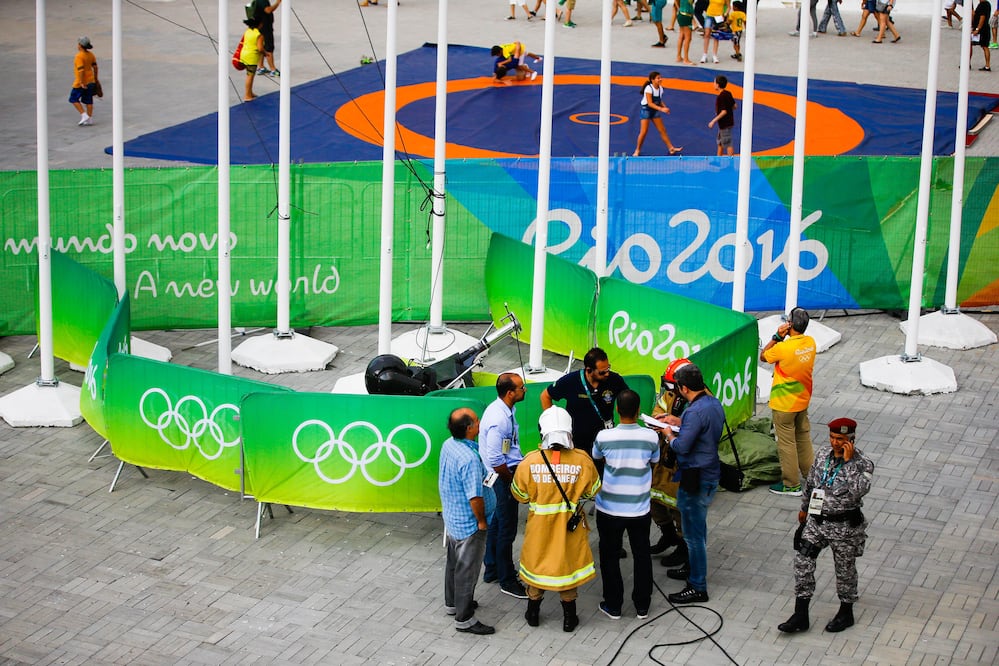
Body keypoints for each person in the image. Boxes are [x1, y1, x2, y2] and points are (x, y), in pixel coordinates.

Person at [778, 418, 874, 634]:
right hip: (817, 522)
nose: (835, 442)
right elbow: (812, 483)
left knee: (844, 570)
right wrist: (804, 508)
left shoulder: (862, 463)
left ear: (851, 439)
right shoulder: (822, 455)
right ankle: (800, 614)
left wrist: (848, 463)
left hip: (844, 527)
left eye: (840, 439)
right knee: (802, 562)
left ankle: (846, 612)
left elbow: (859, 491)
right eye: (832, 437)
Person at [512, 406, 601, 632]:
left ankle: (533, 613)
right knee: (566, 569)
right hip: (569, 528)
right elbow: (592, 492)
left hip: (539, 528)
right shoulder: (583, 460)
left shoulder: (529, 462)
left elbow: (520, 495)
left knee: (536, 566)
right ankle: (569, 619)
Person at [592, 390, 660, 620]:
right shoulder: (651, 437)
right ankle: (642, 605)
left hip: (609, 508)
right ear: (638, 410)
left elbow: (597, 457)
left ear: (617, 410)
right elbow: (654, 462)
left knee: (609, 555)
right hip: (640, 508)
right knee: (641, 554)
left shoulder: (603, 437)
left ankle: (613, 604)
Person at [660, 362, 723, 604]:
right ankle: (692, 570)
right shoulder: (712, 403)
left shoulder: (694, 411)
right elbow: (701, 430)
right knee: (699, 530)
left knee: (693, 536)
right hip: (708, 473)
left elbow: (682, 446)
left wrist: (669, 434)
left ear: (684, 388)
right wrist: (677, 421)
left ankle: (697, 585)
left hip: (695, 477)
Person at [438, 407, 497, 635]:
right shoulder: (470, 459)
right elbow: (475, 497)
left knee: (453, 563)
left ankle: (453, 604)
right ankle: (465, 619)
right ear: (469, 428)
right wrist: (481, 522)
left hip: (453, 517)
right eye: (475, 420)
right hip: (469, 524)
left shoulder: (449, 445)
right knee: (467, 571)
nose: (479, 421)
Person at [479, 373, 529, 599]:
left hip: (502, 473)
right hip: (502, 476)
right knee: (506, 529)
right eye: (521, 387)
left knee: (498, 523)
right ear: (510, 393)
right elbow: (496, 458)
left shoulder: (506, 411)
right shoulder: (499, 419)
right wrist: (510, 479)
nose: (524, 390)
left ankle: (492, 568)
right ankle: (507, 579)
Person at [760, 307, 816, 497]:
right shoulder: (811, 343)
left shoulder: (783, 348)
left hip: (784, 404)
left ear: (790, 324)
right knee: (803, 437)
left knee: (786, 444)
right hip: (803, 400)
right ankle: (812, 476)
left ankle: (791, 484)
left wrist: (777, 336)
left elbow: (763, 356)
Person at [540, 347, 630, 458]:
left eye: (608, 369)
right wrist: (554, 425)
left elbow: (629, 399)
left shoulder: (615, 380)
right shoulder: (571, 381)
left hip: (604, 441)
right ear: (589, 370)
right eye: (602, 372)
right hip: (576, 443)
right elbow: (545, 396)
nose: (607, 374)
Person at [648, 359, 693, 570]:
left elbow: (700, 432)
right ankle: (668, 536)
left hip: (682, 462)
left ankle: (683, 547)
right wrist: (659, 420)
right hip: (663, 456)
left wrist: (676, 426)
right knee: (654, 498)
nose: (669, 390)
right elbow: (658, 409)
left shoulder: (700, 402)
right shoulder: (672, 396)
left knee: (679, 507)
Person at [632, 72, 683, 157]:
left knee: (662, 130)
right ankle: (637, 150)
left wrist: (665, 107)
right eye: (658, 78)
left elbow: (659, 100)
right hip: (647, 110)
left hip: (655, 110)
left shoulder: (660, 89)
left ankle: (671, 148)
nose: (660, 79)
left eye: (660, 78)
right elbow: (650, 103)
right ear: (652, 80)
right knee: (643, 132)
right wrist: (662, 109)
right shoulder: (648, 89)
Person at [70, 37, 99, 127]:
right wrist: (95, 78)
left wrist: (82, 82)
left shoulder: (79, 56)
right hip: (91, 80)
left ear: (80, 45)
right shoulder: (91, 55)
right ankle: (89, 118)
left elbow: (81, 70)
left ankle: (84, 115)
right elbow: (95, 67)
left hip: (81, 82)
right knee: (88, 100)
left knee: (73, 98)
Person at [252, 0, 282, 76]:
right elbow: (268, 10)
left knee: (261, 46)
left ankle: (261, 67)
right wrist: (278, 3)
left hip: (259, 27)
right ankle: (273, 69)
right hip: (265, 28)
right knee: (269, 47)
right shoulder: (262, 1)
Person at [708, 75, 736, 157]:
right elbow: (734, 106)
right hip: (727, 123)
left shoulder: (720, 97)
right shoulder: (728, 93)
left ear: (718, 85)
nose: (713, 84)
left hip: (725, 124)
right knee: (720, 141)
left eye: (714, 82)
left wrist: (713, 121)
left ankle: (731, 161)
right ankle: (718, 158)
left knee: (728, 143)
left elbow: (724, 112)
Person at [239, 18, 266, 102]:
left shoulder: (248, 31)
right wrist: (265, 53)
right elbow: (260, 48)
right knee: (250, 76)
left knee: (249, 74)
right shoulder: (259, 35)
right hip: (251, 57)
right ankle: (247, 95)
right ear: (259, 25)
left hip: (244, 54)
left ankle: (250, 92)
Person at [971, 0, 993, 71]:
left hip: (982, 30)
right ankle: (987, 65)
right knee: (985, 46)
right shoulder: (986, 4)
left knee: (984, 46)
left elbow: (982, 18)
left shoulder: (983, 5)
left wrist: (977, 29)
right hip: (984, 28)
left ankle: (987, 65)